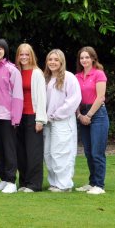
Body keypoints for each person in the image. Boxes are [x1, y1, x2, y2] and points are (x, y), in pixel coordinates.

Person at [0, 38, 23, 194]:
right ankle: (3, 178)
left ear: (5, 51)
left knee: (9, 149)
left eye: (0, 49)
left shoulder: (12, 70)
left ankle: (11, 181)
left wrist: (16, 117)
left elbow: (17, 96)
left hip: (7, 116)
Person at [43, 49, 81, 192]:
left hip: (62, 121)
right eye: (50, 59)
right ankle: (54, 182)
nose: (52, 62)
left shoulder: (69, 77)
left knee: (61, 152)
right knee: (48, 153)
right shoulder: (46, 78)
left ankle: (64, 184)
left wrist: (55, 114)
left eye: (56, 60)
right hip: (48, 122)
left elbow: (73, 100)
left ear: (61, 62)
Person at [75, 46, 109, 195]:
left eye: (87, 57)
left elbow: (100, 97)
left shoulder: (99, 74)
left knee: (97, 152)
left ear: (93, 58)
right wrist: (79, 115)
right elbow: (74, 99)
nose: (84, 60)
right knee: (88, 152)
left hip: (98, 114)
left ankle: (99, 185)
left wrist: (88, 115)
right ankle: (92, 182)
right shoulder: (77, 77)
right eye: (82, 58)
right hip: (82, 113)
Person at [14, 44, 47, 192]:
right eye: (21, 54)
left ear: (31, 55)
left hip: (33, 116)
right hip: (18, 117)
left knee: (33, 152)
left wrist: (40, 119)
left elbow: (42, 97)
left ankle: (34, 184)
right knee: (20, 152)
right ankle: (24, 183)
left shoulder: (37, 73)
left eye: (27, 54)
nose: (24, 57)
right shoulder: (16, 72)